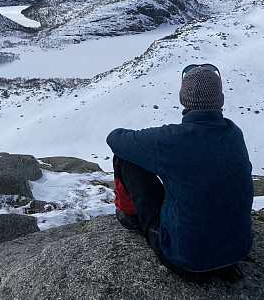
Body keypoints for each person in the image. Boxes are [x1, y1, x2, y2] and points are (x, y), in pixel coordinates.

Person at [106, 64, 253, 283]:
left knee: (125, 157)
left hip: (185, 260)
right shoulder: (234, 133)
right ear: (220, 99)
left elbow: (115, 139)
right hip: (236, 254)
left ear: (183, 98)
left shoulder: (172, 139)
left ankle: (131, 217)